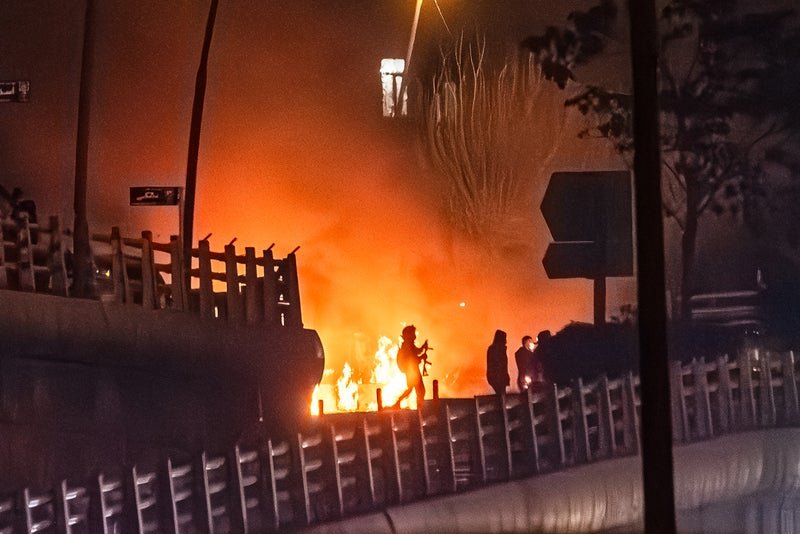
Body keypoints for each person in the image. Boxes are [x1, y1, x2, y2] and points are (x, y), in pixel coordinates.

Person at [392, 325, 429, 409]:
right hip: (411, 372)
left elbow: (417, 352)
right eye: (413, 333)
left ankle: (418, 406)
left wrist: (423, 347)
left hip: (413, 371)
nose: (414, 335)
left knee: (416, 390)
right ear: (408, 335)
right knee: (418, 390)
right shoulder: (407, 346)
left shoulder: (410, 345)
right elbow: (413, 359)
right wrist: (421, 357)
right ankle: (419, 407)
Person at [486, 329, 509, 395]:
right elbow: (500, 365)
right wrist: (503, 377)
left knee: (500, 395)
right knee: (501, 396)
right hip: (498, 377)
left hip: (496, 377)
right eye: (504, 338)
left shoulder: (493, 348)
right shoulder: (497, 349)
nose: (506, 340)